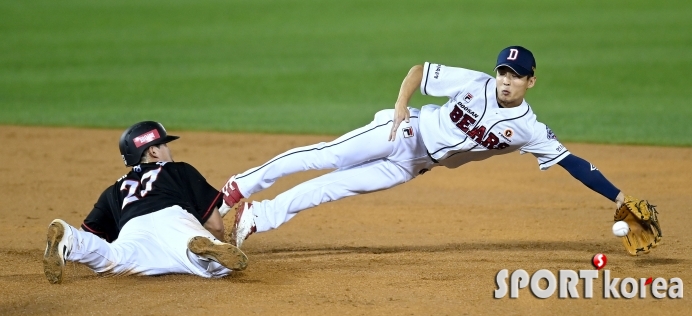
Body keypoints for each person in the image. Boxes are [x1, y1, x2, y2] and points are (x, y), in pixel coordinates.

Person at [219, 46, 636, 250]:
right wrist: (400, 107)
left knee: (332, 188)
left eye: (516, 75)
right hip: (403, 130)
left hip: (413, 166)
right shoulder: (475, 83)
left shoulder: (528, 130)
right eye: (503, 71)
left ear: (531, 81)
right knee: (325, 155)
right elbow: (419, 71)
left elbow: (573, 163)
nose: (506, 80)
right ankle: (242, 184)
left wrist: (620, 197)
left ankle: (257, 218)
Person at [43, 121, 247, 284]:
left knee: (112, 258)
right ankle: (201, 249)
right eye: (165, 144)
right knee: (219, 268)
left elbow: (92, 232)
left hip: (133, 229)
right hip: (174, 220)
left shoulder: (113, 190)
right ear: (154, 151)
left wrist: (84, 240)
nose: (169, 149)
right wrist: (220, 239)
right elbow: (215, 225)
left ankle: (71, 239)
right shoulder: (178, 169)